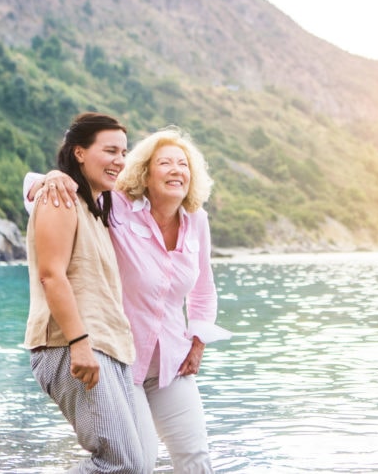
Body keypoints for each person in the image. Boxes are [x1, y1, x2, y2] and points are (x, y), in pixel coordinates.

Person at [27, 126, 230, 474]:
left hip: (172, 361)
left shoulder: (197, 220)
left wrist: (198, 341)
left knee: (196, 457)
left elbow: (204, 289)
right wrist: (49, 177)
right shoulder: (116, 204)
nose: (176, 170)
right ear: (145, 173)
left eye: (183, 164)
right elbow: (57, 196)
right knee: (138, 463)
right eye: (165, 163)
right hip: (122, 361)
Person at [23, 112, 156, 474]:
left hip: (108, 346)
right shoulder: (59, 198)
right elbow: (52, 276)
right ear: (79, 152)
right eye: (110, 150)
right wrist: (79, 341)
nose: (120, 161)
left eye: (124, 152)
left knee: (140, 463)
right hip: (72, 345)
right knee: (121, 464)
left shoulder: (96, 207)